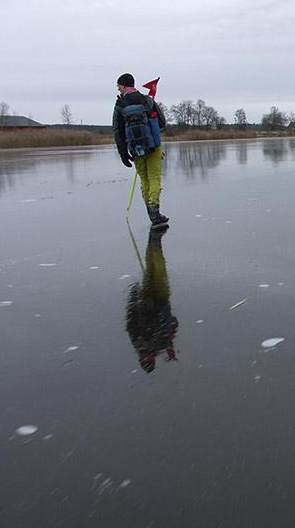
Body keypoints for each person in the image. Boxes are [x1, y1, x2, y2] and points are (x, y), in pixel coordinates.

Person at [113, 73, 169, 227]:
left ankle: (149, 210)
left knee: (144, 180)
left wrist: (124, 154)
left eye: (119, 86)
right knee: (154, 178)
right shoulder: (146, 100)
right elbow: (162, 123)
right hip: (153, 146)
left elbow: (118, 132)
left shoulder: (120, 105)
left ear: (124, 86)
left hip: (135, 150)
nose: (118, 88)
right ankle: (154, 211)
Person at [125, 227, 179, 373]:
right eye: (148, 359)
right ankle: (155, 243)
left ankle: (154, 242)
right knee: (157, 270)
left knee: (153, 271)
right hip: (160, 302)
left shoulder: (139, 341)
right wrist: (169, 344)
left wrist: (134, 294)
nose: (147, 356)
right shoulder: (158, 345)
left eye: (145, 359)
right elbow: (173, 324)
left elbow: (131, 318)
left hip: (150, 301)